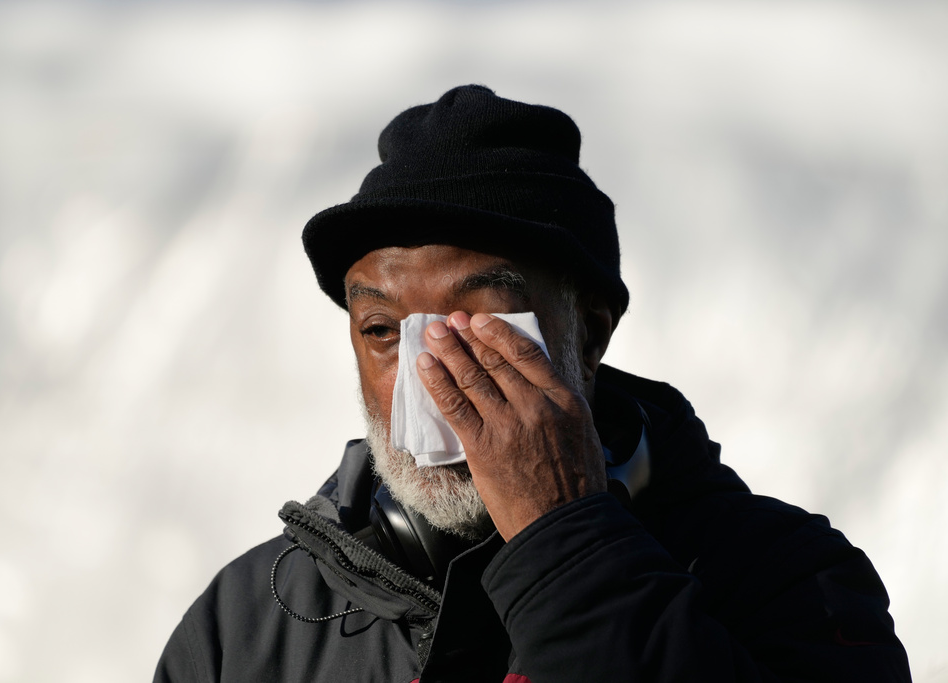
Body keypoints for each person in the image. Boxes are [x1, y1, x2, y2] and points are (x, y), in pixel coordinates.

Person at [153, 85, 910, 682]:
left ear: (589, 331)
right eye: (383, 331)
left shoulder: (790, 579)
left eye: (481, 327)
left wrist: (570, 547)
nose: (431, 383)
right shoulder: (252, 621)